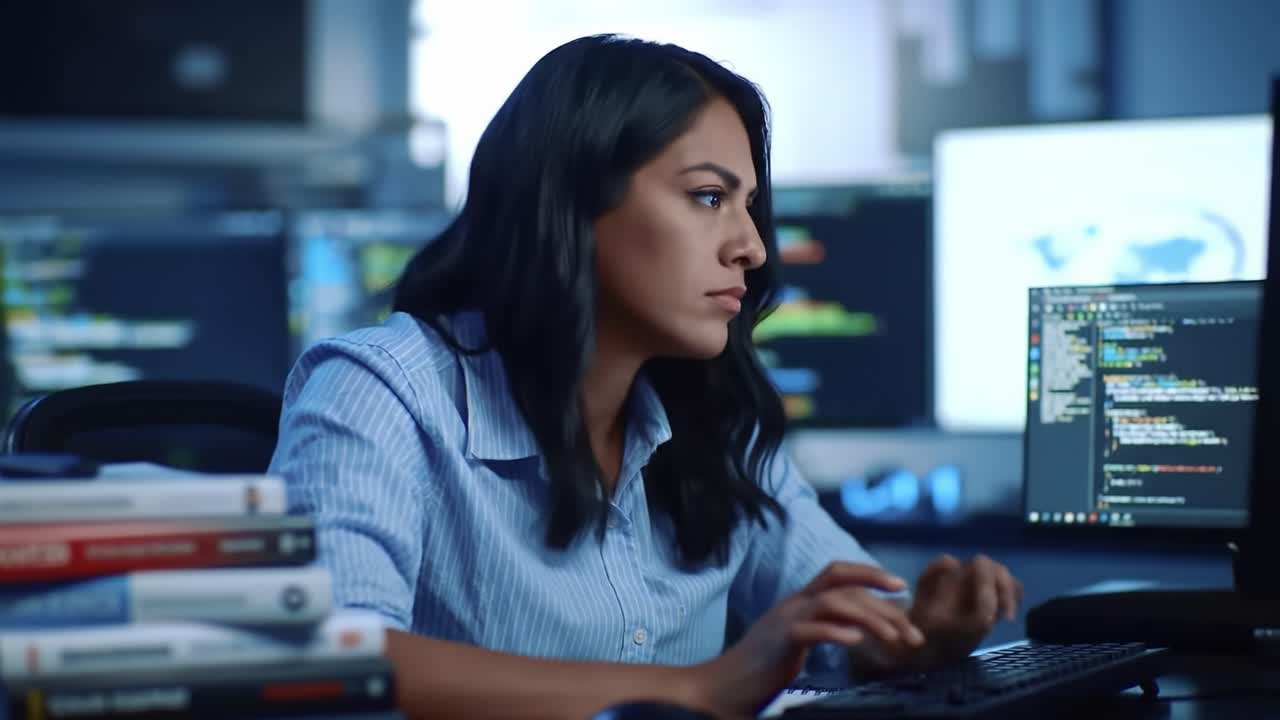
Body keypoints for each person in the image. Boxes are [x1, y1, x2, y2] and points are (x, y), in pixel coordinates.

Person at [271, 34, 1022, 720]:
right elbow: (333, 658)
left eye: (750, 207)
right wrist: (693, 691)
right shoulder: (380, 391)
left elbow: (841, 613)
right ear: (569, 202)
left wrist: (913, 633)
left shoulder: (714, 420)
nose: (754, 248)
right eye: (707, 197)